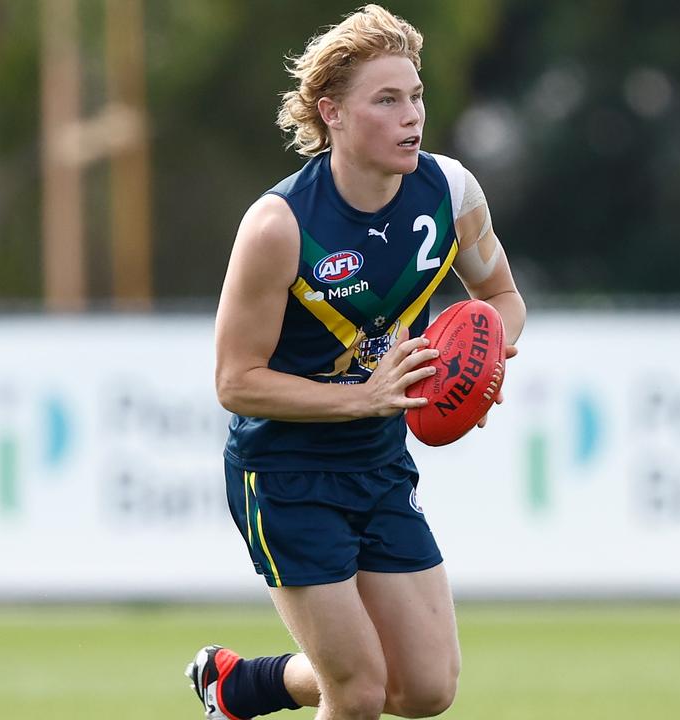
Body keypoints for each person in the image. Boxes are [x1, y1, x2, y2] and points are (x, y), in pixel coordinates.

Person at [186, 5, 525, 719]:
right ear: (331, 112)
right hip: (284, 474)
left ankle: (243, 685)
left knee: (426, 690)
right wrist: (361, 398)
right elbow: (234, 381)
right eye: (388, 100)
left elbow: (499, 297)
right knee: (361, 692)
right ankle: (266, 687)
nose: (413, 117)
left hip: (378, 462)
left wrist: (487, 358)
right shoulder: (279, 227)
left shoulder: (451, 192)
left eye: (417, 96)